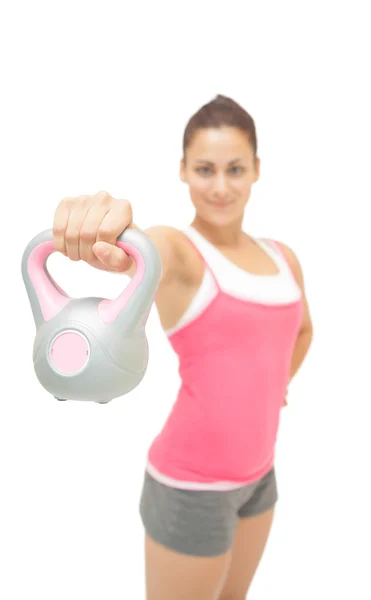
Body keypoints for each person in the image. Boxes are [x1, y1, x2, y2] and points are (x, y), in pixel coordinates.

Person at [52, 95, 313, 600]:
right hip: (190, 486)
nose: (220, 186)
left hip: (261, 477)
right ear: (182, 170)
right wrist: (107, 229)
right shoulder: (181, 250)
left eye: (235, 169)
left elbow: (302, 330)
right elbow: (141, 253)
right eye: (204, 169)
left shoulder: (284, 257)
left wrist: (272, 390)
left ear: (257, 169)